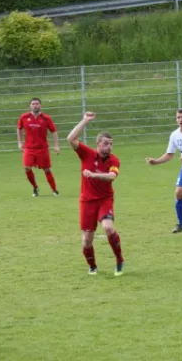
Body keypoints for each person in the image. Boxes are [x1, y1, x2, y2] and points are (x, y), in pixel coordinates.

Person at [66, 112, 124, 276]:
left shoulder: (114, 160)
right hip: (87, 201)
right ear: (98, 144)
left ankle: (119, 259)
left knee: (108, 227)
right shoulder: (87, 154)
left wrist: (93, 175)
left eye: (111, 144)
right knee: (86, 240)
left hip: (104, 199)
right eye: (106, 144)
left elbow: (112, 176)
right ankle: (92, 266)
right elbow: (70, 139)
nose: (109, 147)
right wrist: (84, 120)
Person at [17, 97, 60, 197]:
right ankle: (35, 187)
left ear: (40, 105)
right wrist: (20, 142)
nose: (35, 105)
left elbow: (54, 131)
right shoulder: (24, 117)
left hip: (42, 148)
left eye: (37, 103)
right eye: (33, 104)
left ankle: (54, 190)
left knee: (47, 169)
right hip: (29, 148)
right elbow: (19, 129)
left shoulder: (46, 118)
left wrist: (56, 146)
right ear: (30, 106)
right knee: (27, 168)